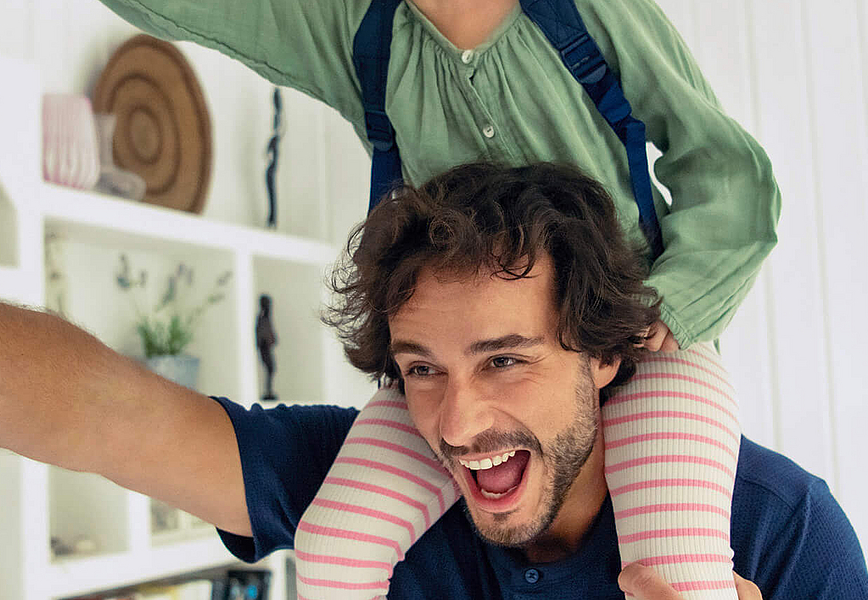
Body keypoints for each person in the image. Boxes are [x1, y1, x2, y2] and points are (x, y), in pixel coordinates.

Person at [0, 155, 868, 598]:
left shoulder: (771, 532)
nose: (459, 418)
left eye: (506, 361)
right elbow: (83, 408)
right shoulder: (375, 489)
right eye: (420, 369)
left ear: (606, 352)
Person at [93, 0, 776, 595]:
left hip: (644, 348)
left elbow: (727, 167)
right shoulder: (360, 31)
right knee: (333, 551)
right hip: (455, 363)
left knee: (679, 576)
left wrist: (673, 305)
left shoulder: (585, 11)